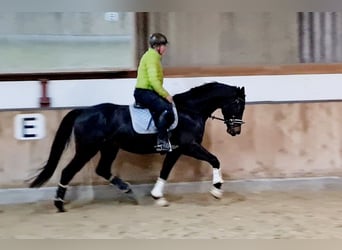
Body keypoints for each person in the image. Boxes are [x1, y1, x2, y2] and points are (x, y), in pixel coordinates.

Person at [134, 33, 175, 152]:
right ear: (157, 46)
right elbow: (153, 81)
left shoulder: (152, 56)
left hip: (147, 91)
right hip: (144, 92)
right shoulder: (152, 58)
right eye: (164, 46)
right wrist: (165, 94)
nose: (165, 48)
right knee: (166, 110)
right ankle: (162, 142)